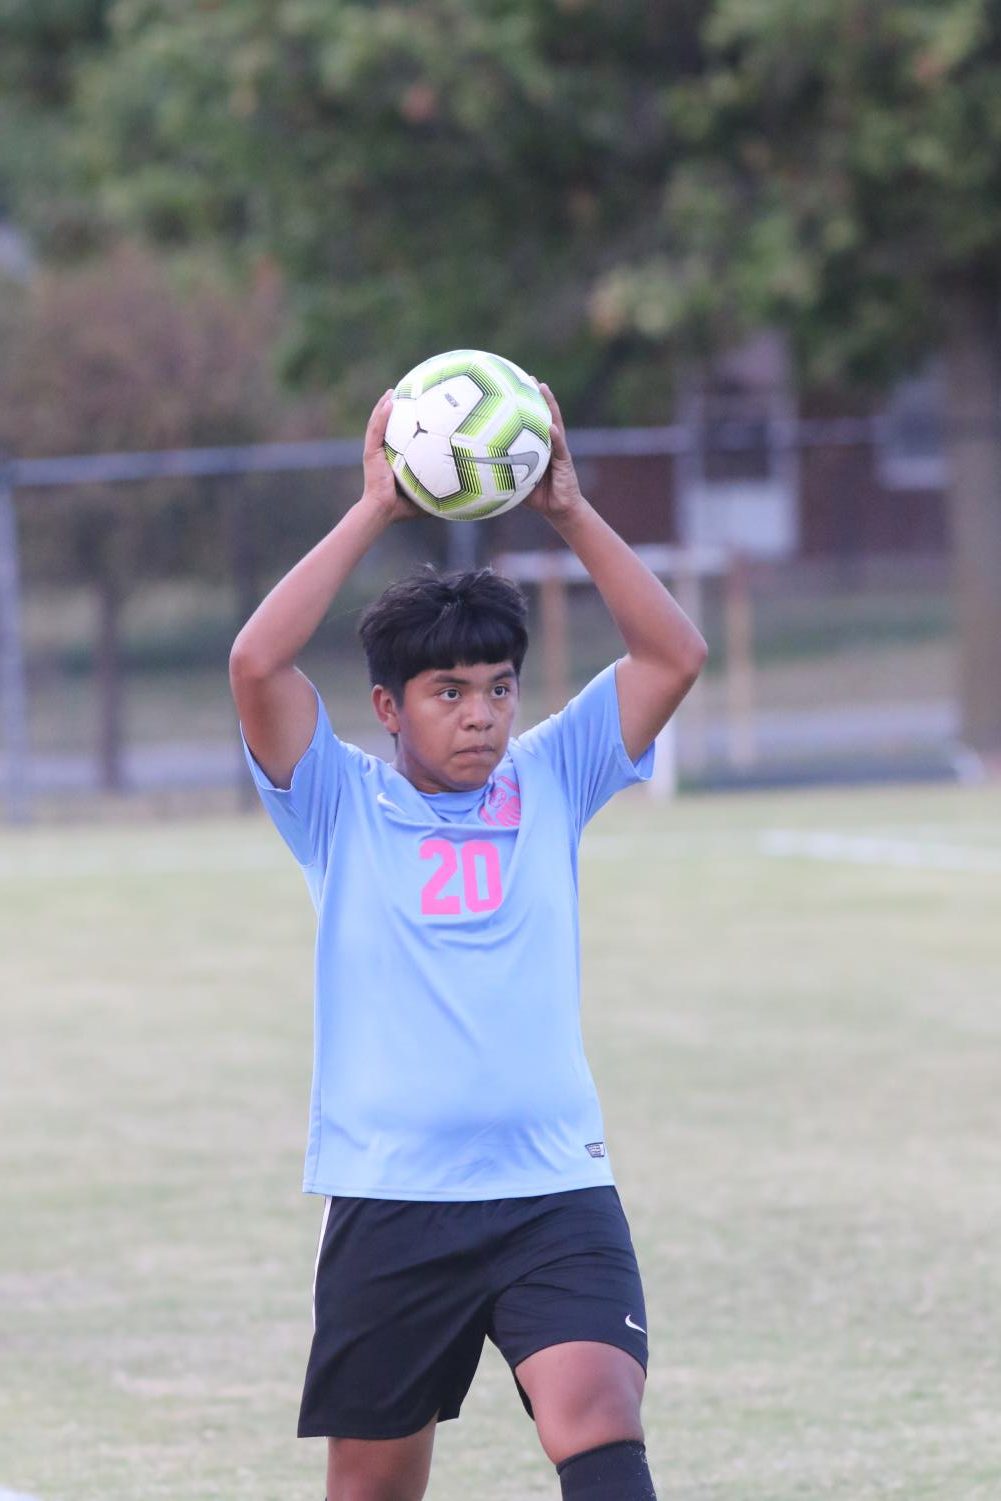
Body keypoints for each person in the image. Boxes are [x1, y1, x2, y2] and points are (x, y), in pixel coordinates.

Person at [229, 380, 707, 1501]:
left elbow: (670, 656)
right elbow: (256, 664)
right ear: (390, 708)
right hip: (393, 1194)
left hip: (551, 1184)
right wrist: (373, 509)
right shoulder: (338, 803)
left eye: (497, 687)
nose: (483, 713)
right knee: (375, 1488)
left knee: (596, 1409)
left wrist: (570, 512)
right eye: (449, 692)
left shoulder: (549, 775)